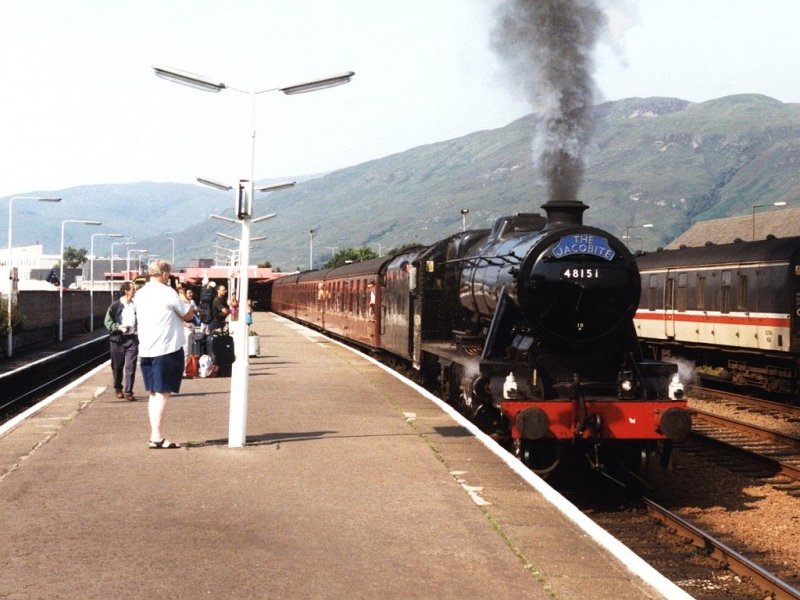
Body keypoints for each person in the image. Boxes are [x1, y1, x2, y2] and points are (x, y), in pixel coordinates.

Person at [133, 260, 194, 449]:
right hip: (166, 348)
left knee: (154, 393)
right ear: (165, 275)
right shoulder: (168, 293)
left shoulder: (140, 294)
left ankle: (155, 435)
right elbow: (189, 315)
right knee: (162, 393)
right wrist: (182, 293)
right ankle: (156, 436)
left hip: (147, 349)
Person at [104, 281, 139, 401]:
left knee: (131, 366)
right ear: (126, 291)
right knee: (117, 366)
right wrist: (119, 327)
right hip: (117, 340)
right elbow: (108, 322)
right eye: (133, 289)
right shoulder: (115, 306)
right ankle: (118, 388)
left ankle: (129, 391)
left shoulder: (136, 305)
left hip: (132, 339)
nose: (135, 291)